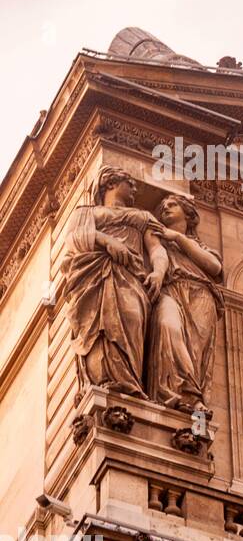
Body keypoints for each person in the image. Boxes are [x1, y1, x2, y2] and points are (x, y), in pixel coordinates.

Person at [65, 168, 168, 398]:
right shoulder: (86, 213)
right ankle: (104, 381)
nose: (134, 188)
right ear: (110, 183)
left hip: (132, 278)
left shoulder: (143, 217)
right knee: (98, 325)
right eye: (129, 181)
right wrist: (107, 241)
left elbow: (157, 248)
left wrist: (159, 272)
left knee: (131, 318)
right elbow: (73, 238)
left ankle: (128, 382)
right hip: (95, 276)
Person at [147, 193, 224, 413]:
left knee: (195, 351)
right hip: (170, 289)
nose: (166, 208)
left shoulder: (197, 245)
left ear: (188, 214)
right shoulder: (158, 239)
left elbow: (214, 267)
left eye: (172, 204)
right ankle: (181, 392)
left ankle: (191, 399)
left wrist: (178, 238)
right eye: (162, 206)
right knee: (168, 326)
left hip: (200, 295)